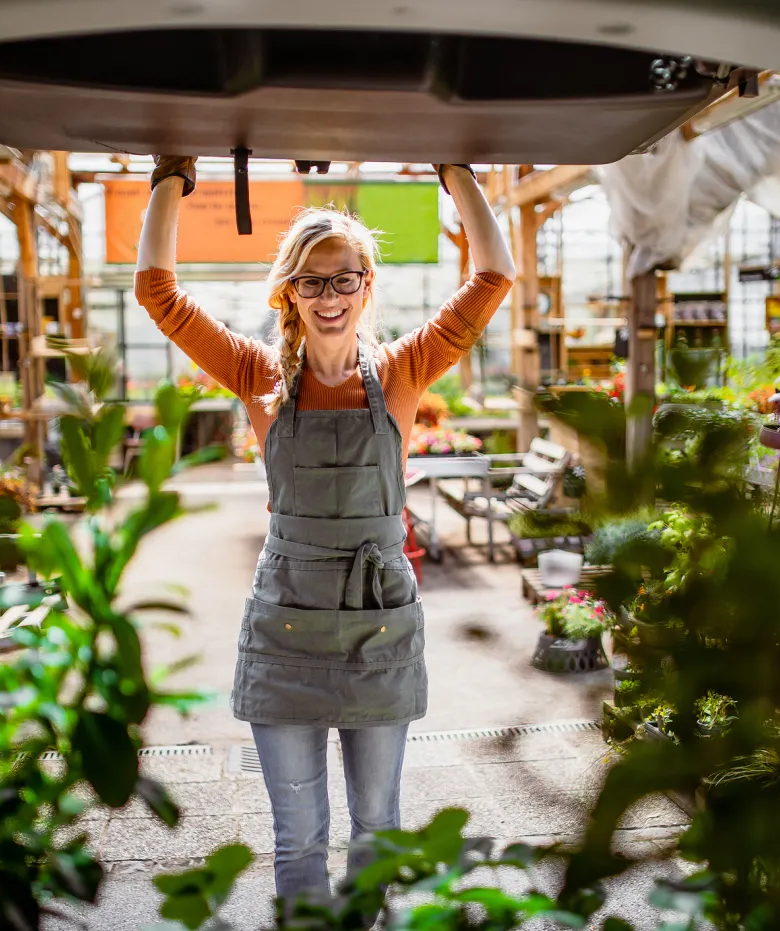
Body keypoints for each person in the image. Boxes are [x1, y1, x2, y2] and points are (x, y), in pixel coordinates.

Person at [135, 156, 515, 913]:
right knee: (299, 838)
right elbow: (159, 291)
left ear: (367, 286)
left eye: (345, 279)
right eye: (312, 280)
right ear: (289, 292)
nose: (329, 296)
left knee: (378, 828)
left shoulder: (405, 370)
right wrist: (171, 180)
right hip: (287, 631)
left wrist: (456, 175)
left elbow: (493, 274)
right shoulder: (258, 377)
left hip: (379, 628)